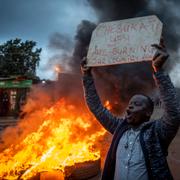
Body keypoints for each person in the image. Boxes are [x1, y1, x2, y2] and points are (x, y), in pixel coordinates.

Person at [81, 42, 180, 180]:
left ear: (148, 113)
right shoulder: (119, 127)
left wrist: (159, 71)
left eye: (136, 104)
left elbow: (173, 114)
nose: (129, 107)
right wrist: (87, 76)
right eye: (130, 104)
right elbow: (96, 107)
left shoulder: (156, 133)